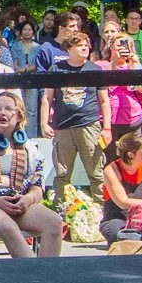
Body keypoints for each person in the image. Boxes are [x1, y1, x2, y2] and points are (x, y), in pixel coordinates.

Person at [0, 93, 63, 258]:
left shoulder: (30, 148)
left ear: (19, 114)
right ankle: (36, 277)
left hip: (17, 202)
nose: (1, 113)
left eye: (8, 109)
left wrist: (27, 199)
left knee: (54, 222)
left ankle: (48, 276)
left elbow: (36, 188)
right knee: (8, 227)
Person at [39, 32, 108, 193]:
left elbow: (104, 101)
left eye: (87, 45)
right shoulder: (56, 69)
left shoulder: (95, 69)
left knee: (96, 173)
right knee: (62, 175)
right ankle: (61, 211)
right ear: (69, 48)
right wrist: (44, 123)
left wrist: (107, 128)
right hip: (62, 127)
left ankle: (100, 209)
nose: (85, 48)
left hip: (90, 126)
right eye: (80, 45)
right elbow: (47, 99)